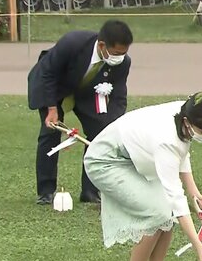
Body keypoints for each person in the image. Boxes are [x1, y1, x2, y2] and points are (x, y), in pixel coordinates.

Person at [83, 94, 202, 261]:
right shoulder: (166, 139)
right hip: (106, 160)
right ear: (187, 123)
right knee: (158, 213)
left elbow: (182, 152)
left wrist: (193, 190)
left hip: (134, 156)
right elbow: (176, 199)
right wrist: (198, 246)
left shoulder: (188, 112)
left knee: (167, 215)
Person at [28, 19, 133, 205]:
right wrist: (52, 108)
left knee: (99, 135)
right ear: (102, 45)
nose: (120, 57)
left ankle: (90, 192)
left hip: (86, 92)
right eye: (116, 53)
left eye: (124, 53)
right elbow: (48, 73)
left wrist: (115, 125)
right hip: (54, 86)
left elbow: (118, 95)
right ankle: (46, 191)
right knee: (50, 132)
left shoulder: (122, 63)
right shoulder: (73, 43)